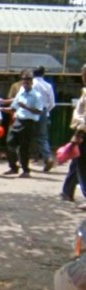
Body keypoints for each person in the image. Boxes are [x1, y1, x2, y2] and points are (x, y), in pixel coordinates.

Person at [1, 70, 43, 178]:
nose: (25, 83)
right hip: (17, 120)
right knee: (10, 143)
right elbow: (14, 107)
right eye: (24, 81)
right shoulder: (20, 92)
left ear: (31, 82)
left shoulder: (36, 95)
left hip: (28, 122)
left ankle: (25, 170)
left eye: (28, 81)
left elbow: (39, 111)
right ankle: (13, 167)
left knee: (24, 147)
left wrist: (26, 107)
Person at [61, 64, 86, 209]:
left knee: (81, 164)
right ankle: (67, 191)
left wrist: (79, 133)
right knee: (77, 163)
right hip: (81, 131)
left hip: (83, 133)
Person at [32, 66, 56, 172]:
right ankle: (48, 157)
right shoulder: (48, 86)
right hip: (43, 112)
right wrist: (46, 111)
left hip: (29, 112)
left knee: (23, 136)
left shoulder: (29, 84)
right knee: (42, 137)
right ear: (43, 74)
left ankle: (20, 160)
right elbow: (52, 103)